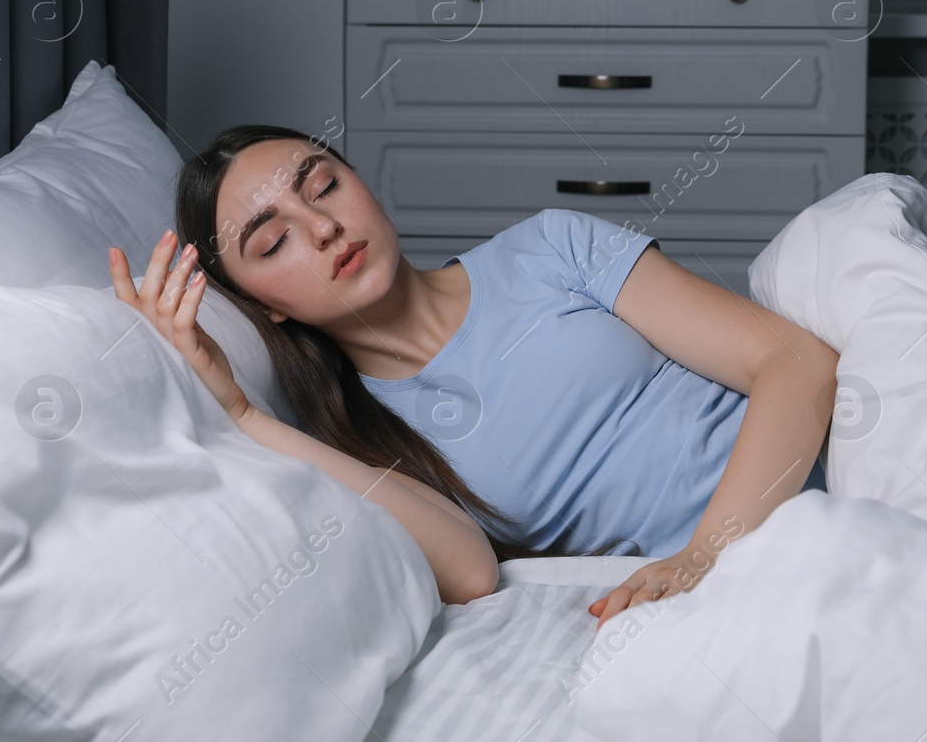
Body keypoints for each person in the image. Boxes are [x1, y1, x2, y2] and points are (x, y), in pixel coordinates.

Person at [108, 124, 839, 626]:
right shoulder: (358, 438)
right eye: (273, 241)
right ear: (263, 307)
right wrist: (241, 414)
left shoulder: (549, 247)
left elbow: (797, 361)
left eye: (322, 185)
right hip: (740, 591)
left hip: (831, 484)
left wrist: (707, 553)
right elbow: (469, 572)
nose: (322, 226)